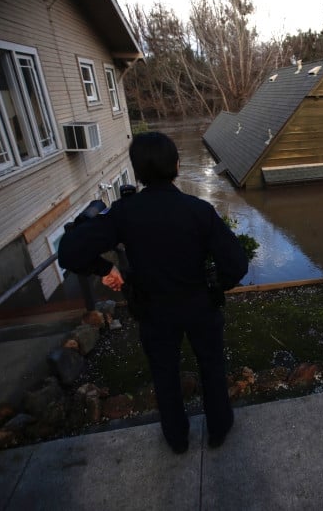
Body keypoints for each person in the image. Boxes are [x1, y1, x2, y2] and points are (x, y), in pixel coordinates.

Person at [58, 131, 248, 454]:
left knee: (164, 373)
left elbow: (69, 252)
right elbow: (237, 262)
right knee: (212, 366)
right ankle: (218, 429)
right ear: (176, 165)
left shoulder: (123, 213)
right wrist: (216, 285)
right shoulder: (198, 211)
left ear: (138, 173)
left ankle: (176, 438)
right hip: (199, 304)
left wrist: (106, 270)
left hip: (154, 309)